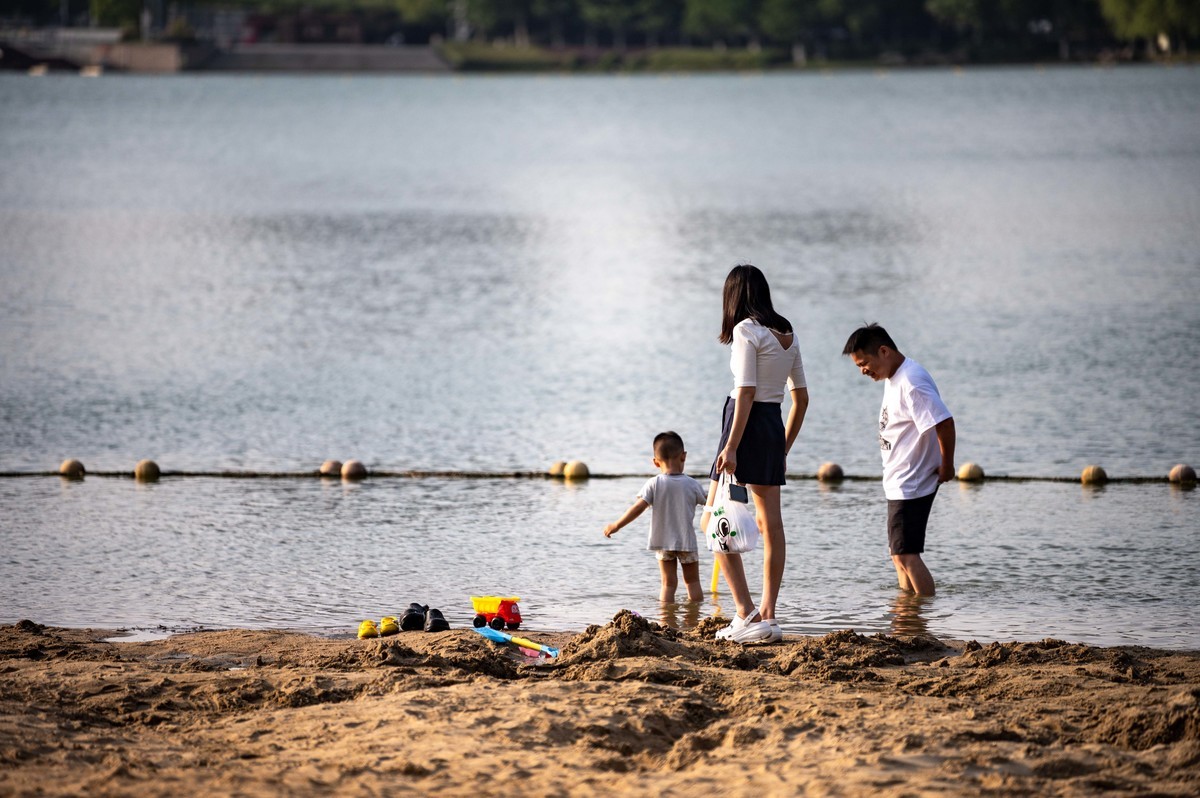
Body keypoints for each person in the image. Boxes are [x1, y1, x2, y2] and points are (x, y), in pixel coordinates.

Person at [704, 264, 809, 644]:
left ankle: (746, 614)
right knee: (772, 528)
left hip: (743, 426)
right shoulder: (787, 333)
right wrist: (783, 447)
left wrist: (731, 446)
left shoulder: (745, 330)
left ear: (733, 296)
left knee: (715, 525)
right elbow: (801, 398)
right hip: (771, 426)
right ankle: (769, 615)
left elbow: (745, 391)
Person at [842, 323, 955, 597]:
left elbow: (944, 422)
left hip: (912, 482)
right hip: (900, 480)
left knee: (906, 555)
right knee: (899, 555)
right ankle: (909, 615)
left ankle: (923, 617)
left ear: (884, 351)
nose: (863, 371)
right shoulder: (896, 377)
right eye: (858, 366)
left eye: (864, 363)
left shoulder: (911, 381)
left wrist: (947, 464)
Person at [603, 431, 708, 603]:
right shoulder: (692, 484)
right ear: (684, 456)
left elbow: (637, 508)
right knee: (693, 582)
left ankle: (665, 620)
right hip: (686, 541)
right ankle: (694, 619)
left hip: (663, 541)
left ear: (655, 462)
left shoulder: (653, 484)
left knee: (667, 584)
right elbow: (709, 503)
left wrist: (616, 525)